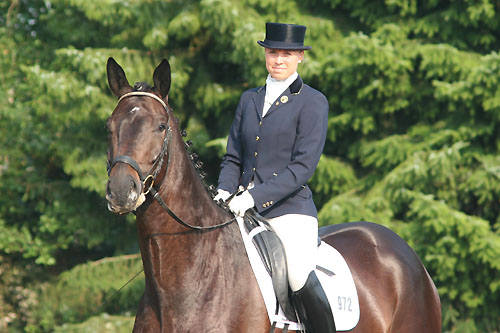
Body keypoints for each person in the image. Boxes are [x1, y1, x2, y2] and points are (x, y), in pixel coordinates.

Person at [214, 22, 336, 333]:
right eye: (272, 53)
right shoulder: (248, 100)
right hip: (239, 207)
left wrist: (253, 196)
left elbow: (302, 168)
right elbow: (233, 157)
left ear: (300, 58)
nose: (278, 60)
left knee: (297, 273)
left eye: (286, 54)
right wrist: (223, 191)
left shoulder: (312, 102)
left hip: (289, 209)